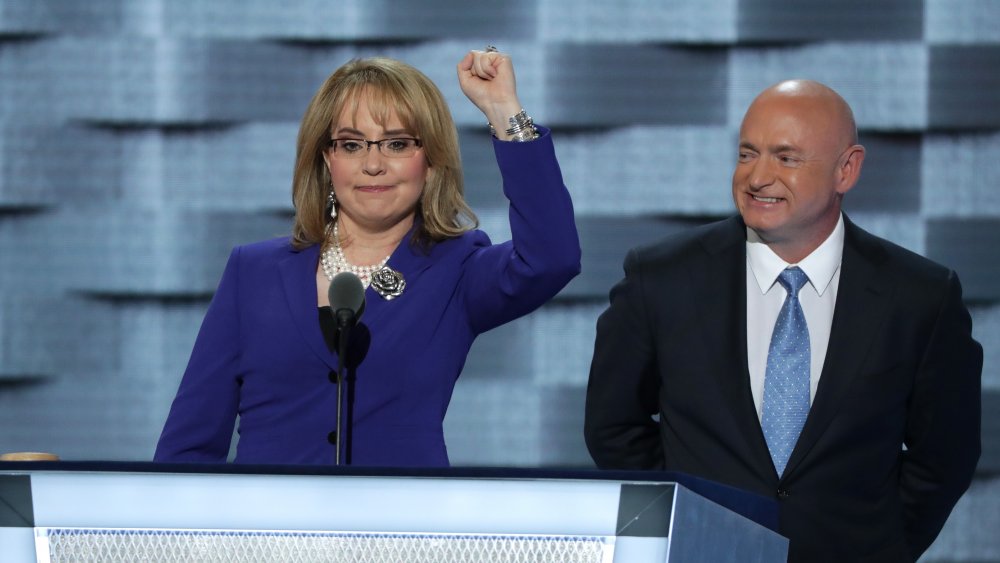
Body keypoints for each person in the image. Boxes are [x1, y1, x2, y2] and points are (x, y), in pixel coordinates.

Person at [584, 79, 982, 562]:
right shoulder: (662, 278)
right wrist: (684, 517)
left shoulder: (921, 297)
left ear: (847, 170)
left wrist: (880, 544)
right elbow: (613, 427)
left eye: (786, 158)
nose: (757, 177)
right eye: (748, 154)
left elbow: (944, 457)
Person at [154, 49, 580, 467]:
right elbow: (189, 445)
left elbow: (552, 257)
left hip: (400, 531)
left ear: (430, 161)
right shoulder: (254, 271)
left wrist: (504, 110)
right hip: (268, 532)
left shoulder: (457, 268)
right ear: (327, 159)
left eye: (396, 144)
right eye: (352, 145)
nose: (373, 164)